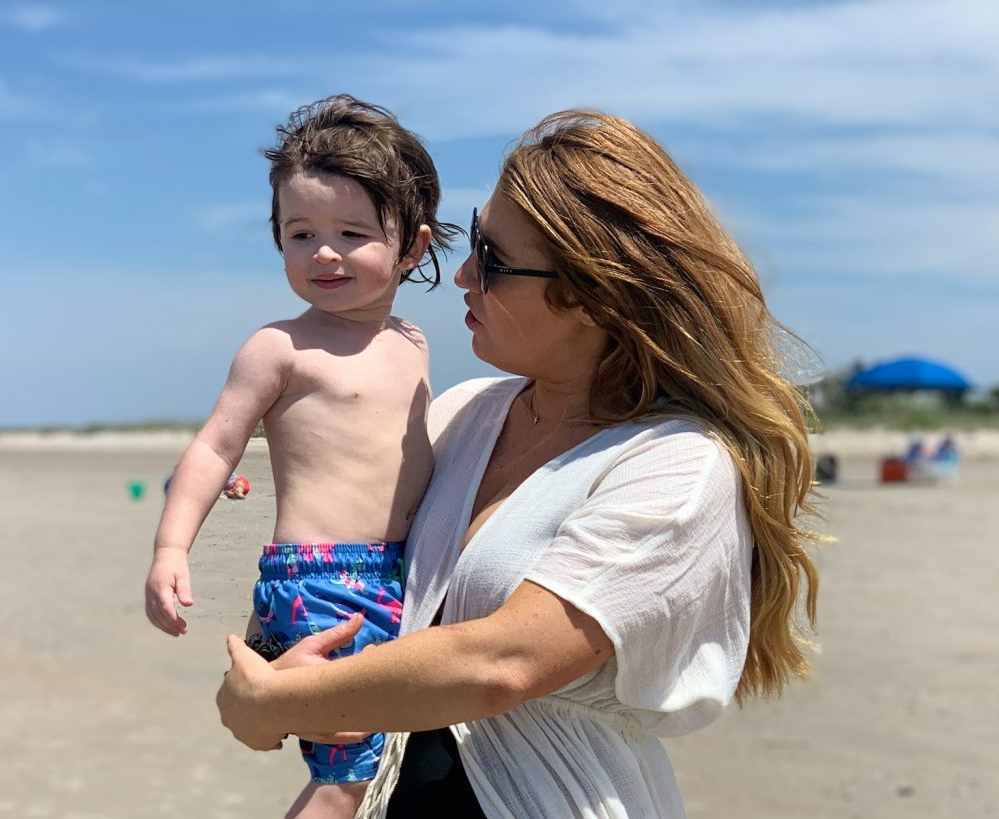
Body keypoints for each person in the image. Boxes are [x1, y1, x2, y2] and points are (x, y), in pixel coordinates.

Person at [217, 109, 821, 818]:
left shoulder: (677, 466)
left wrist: (277, 700)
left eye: (495, 260)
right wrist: (259, 672)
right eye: (474, 239)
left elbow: (503, 663)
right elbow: (337, 572)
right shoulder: (462, 413)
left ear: (594, 294)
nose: (464, 273)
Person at [144, 95, 458, 818]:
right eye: (300, 232)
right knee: (347, 768)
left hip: (394, 570)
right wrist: (170, 546)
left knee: (387, 759)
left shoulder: (411, 341)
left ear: (411, 248)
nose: (323, 251)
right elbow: (215, 444)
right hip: (323, 578)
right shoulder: (279, 346)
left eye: (352, 233)